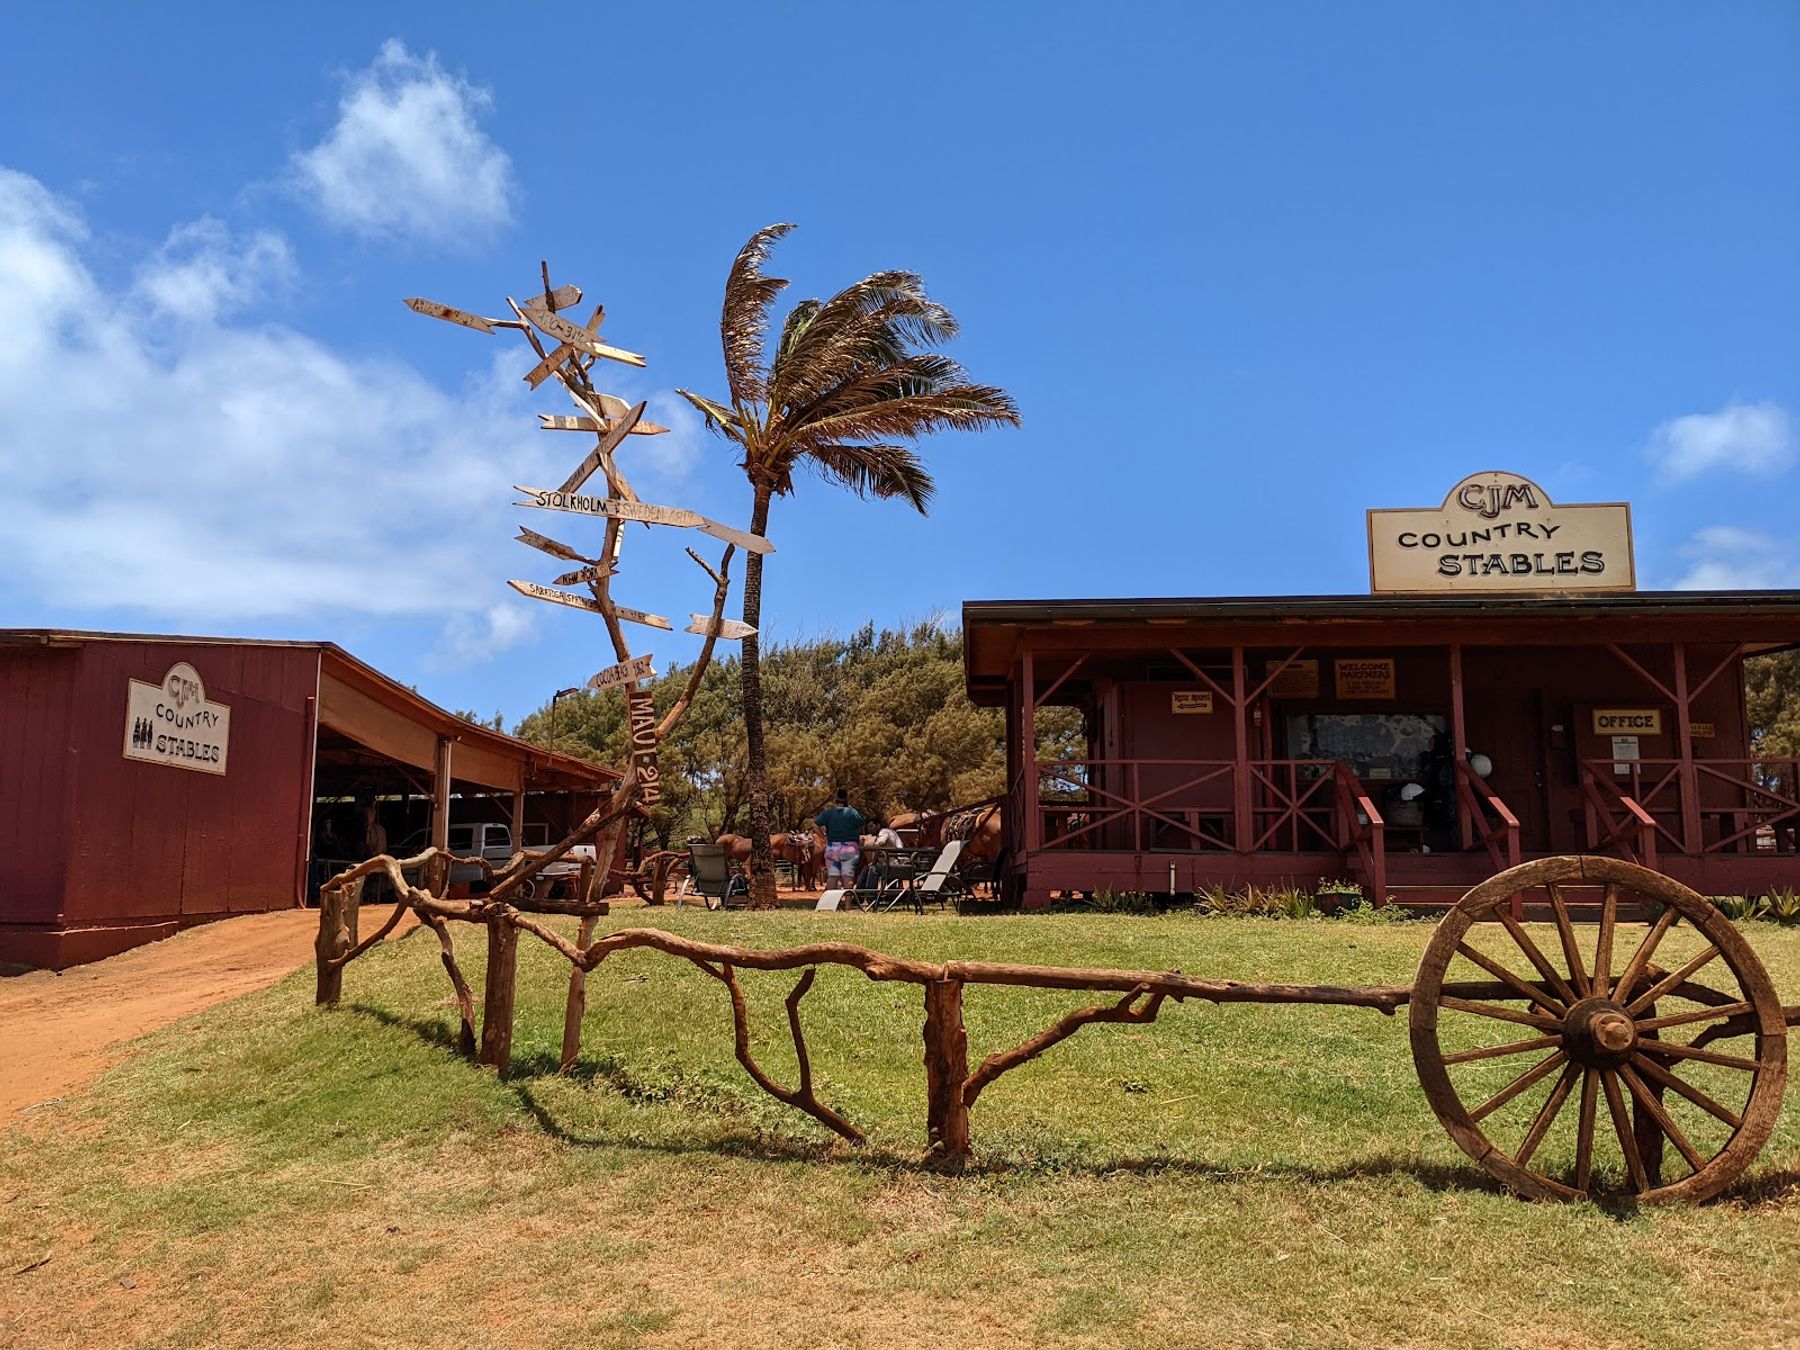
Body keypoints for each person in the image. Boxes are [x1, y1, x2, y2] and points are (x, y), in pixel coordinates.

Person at [815, 789, 866, 891]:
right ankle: (847, 905)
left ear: (836, 800)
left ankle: (828, 904)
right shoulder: (851, 812)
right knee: (848, 877)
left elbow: (815, 824)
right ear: (847, 800)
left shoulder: (828, 813)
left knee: (832, 877)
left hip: (832, 848)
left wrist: (823, 837)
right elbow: (862, 821)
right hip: (849, 848)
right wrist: (852, 809)